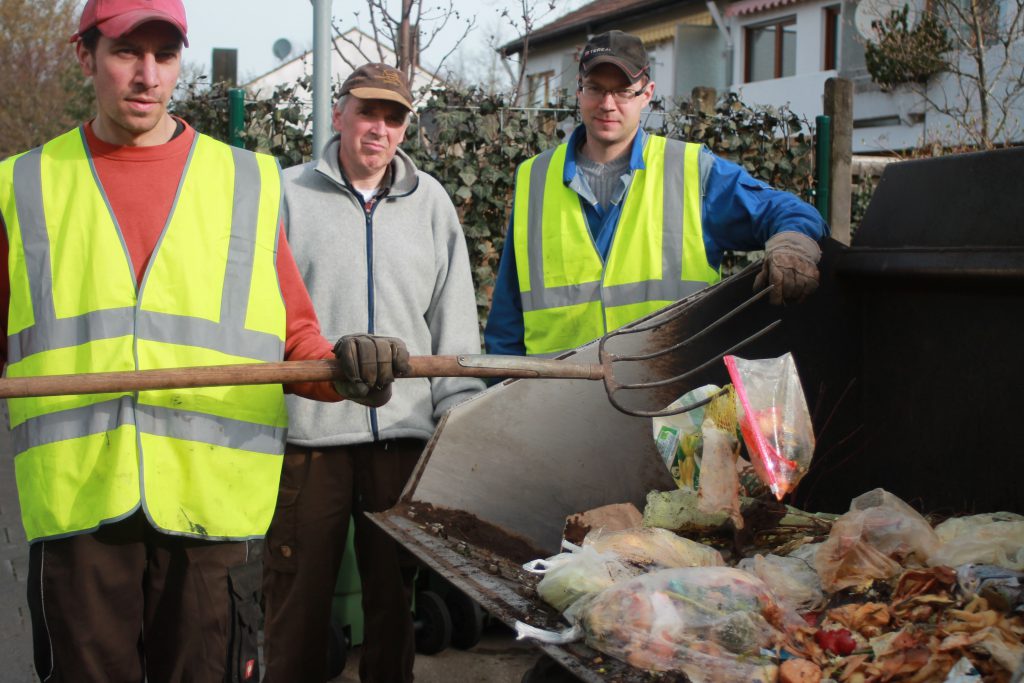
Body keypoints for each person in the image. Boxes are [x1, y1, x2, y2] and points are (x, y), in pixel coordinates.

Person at [0, 2, 409, 682]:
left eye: (164, 55)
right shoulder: (23, 186)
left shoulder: (244, 181)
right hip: (78, 510)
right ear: (85, 56)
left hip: (211, 510)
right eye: (127, 52)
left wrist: (344, 370)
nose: (147, 75)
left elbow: (294, 340)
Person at [261, 63, 484, 683]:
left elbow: (454, 319)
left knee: (394, 608)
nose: (379, 129)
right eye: (367, 112)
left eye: (394, 117)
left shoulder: (432, 202)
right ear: (338, 114)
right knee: (296, 603)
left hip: (404, 437)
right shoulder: (284, 194)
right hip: (310, 437)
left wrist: (455, 419)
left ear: (406, 126)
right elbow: (263, 312)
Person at [485, 30, 828, 358]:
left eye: (623, 91)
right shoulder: (535, 178)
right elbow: (507, 318)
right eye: (595, 88)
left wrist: (792, 246)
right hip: (555, 403)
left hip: (671, 400)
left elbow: (787, 212)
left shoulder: (692, 172)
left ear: (646, 94)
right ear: (579, 91)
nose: (607, 103)